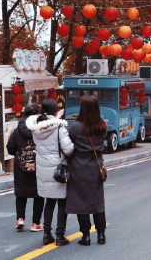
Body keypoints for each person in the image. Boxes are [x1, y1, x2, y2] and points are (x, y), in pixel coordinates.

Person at [26, 99, 74, 246]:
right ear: (55, 111)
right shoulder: (60, 128)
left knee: (49, 201)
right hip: (58, 170)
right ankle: (60, 235)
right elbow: (68, 149)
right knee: (62, 202)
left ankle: (47, 234)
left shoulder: (36, 129)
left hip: (42, 169)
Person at [66, 95, 108, 246]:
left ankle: (86, 236)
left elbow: (68, 145)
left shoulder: (76, 127)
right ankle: (101, 235)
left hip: (79, 166)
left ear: (82, 108)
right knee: (97, 201)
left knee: (81, 201)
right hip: (97, 166)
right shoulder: (102, 125)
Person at [6, 104, 44, 232]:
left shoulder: (17, 130)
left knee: (21, 193)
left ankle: (20, 219)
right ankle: (35, 224)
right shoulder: (40, 129)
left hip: (20, 166)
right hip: (38, 164)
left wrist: (19, 153)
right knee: (38, 194)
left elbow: (10, 147)